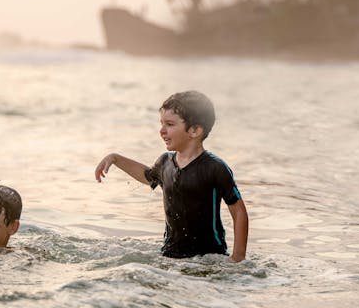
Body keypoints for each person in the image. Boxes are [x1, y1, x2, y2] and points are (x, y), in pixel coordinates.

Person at [94, 91, 249, 262]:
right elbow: (147, 177)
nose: (162, 131)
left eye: (169, 124)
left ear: (195, 130)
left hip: (208, 258)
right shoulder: (165, 162)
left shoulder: (215, 168)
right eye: (161, 124)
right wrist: (116, 158)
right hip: (169, 255)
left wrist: (238, 256)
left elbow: (239, 211)